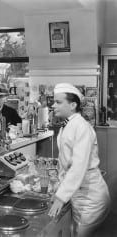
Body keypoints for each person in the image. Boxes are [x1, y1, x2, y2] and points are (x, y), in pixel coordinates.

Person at [48, 83, 110, 237]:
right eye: (54, 101)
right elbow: (66, 163)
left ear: (73, 105)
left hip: (90, 199)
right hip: (78, 193)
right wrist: (59, 187)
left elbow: (78, 167)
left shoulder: (81, 127)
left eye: (58, 102)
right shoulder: (67, 126)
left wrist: (61, 198)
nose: (52, 105)